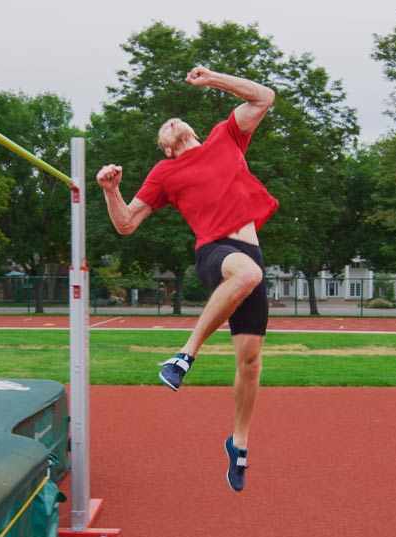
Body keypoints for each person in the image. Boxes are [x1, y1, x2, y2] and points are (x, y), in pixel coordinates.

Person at [96, 66, 278, 492]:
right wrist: (110, 189)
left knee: (250, 363)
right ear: (166, 147)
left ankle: (239, 443)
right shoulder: (165, 172)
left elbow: (264, 96)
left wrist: (213, 78)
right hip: (215, 252)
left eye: (178, 121)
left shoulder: (225, 137)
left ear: (192, 130)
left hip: (249, 250)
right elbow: (126, 224)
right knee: (248, 273)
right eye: (166, 130)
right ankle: (183, 355)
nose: (173, 124)